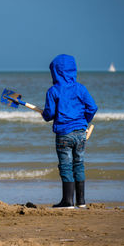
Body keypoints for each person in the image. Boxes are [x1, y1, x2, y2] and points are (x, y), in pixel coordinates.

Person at [42, 54, 97, 209]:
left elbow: (49, 115)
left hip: (64, 133)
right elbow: (92, 107)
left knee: (66, 165)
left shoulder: (53, 91)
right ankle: (81, 201)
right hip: (81, 133)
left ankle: (67, 201)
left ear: (55, 72)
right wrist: (84, 121)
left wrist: (45, 114)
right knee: (79, 164)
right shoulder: (80, 88)